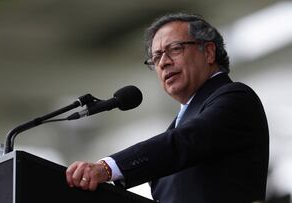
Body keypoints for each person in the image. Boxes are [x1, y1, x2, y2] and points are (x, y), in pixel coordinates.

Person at [65, 12, 269, 203]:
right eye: (156, 57)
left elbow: (186, 141)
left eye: (175, 49)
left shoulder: (236, 97)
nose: (163, 62)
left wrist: (108, 168)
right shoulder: (174, 129)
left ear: (208, 52)